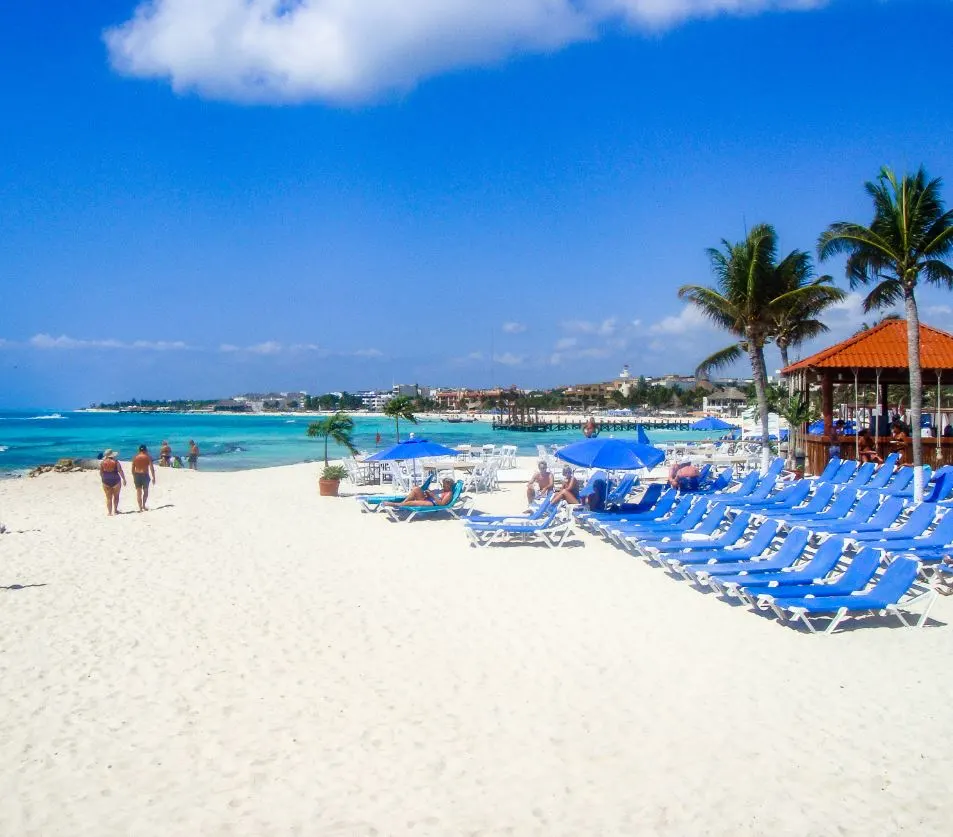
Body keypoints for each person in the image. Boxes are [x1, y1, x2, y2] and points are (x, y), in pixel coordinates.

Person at [383, 477, 455, 508]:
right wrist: (428, 493)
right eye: (443, 484)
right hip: (428, 499)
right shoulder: (442, 490)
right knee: (416, 489)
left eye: (444, 484)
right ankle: (402, 503)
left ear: (449, 485)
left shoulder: (449, 493)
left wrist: (432, 495)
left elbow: (442, 504)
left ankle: (396, 504)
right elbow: (433, 495)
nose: (443, 485)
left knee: (410, 503)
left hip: (433, 503)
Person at [99, 449, 126, 516]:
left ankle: (109, 512)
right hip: (115, 479)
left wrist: (103, 479)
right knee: (116, 496)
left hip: (106, 480)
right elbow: (120, 470)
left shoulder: (102, 462)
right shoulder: (116, 462)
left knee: (108, 498)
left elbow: (101, 473)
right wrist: (124, 479)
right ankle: (115, 510)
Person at [131, 444, 156, 512]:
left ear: (139, 450)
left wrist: (134, 476)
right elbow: (151, 468)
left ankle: (140, 508)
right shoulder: (148, 457)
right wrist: (153, 477)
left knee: (139, 492)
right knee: (145, 491)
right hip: (145, 475)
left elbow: (132, 469)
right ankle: (144, 506)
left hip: (137, 475)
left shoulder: (135, 457)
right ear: (145, 450)